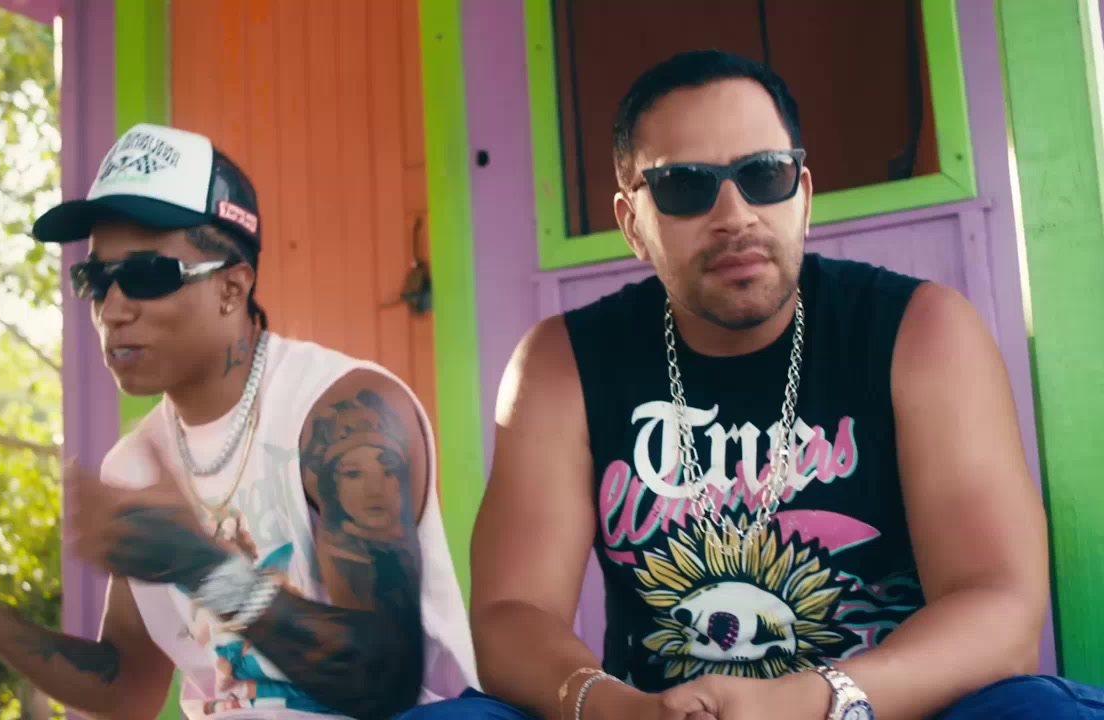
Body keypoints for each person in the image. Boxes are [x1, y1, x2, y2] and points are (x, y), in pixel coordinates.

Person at [433, 50, 1104, 720]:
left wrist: (814, 701)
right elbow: (512, 612)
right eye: (685, 186)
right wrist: (615, 709)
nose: (735, 215)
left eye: (764, 174)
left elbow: (999, 605)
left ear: (803, 197)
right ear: (633, 223)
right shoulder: (563, 363)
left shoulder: (920, 332)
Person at [0, 123, 476, 720]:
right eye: (95, 279)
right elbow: (128, 689)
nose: (112, 309)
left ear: (232, 289)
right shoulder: (135, 464)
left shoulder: (344, 414)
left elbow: (385, 680)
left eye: (146, 275)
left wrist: (205, 569)